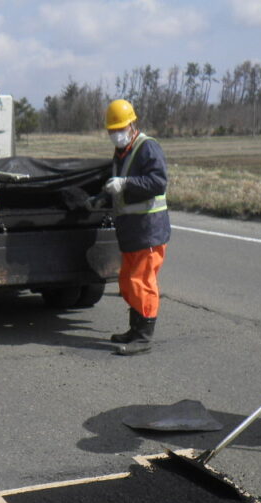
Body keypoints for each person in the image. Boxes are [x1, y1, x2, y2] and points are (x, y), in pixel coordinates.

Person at [101, 99, 171, 355]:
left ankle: (143, 337)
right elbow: (119, 188)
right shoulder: (122, 152)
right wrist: (100, 197)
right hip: (131, 231)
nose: (115, 134)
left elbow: (157, 182)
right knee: (128, 281)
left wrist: (125, 183)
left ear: (132, 124)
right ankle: (134, 329)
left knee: (142, 281)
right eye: (112, 130)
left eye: (119, 128)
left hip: (148, 230)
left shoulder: (147, 147)